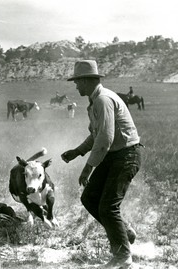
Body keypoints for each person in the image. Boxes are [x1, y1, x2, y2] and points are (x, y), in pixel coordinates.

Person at [61, 60, 143, 269]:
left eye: (78, 82)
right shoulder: (95, 101)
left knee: (107, 207)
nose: (76, 86)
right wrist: (77, 152)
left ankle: (123, 256)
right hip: (114, 156)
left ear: (88, 80)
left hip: (126, 156)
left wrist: (88, 168)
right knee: (89, 198)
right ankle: (123, 231)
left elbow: (105, 139)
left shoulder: (103, 100)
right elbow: (96, 136)